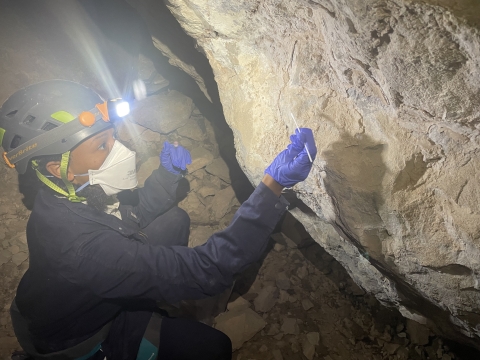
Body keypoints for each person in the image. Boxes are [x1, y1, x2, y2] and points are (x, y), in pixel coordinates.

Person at [0, 80, 317, 360]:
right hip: (74, 337)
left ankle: (155, 295)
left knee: (172, 221)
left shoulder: (66, 195)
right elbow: (208, 269)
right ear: (60, 168)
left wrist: (168, 175)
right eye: (101, 146)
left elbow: (129, 215)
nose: (118, 150)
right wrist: (271, 188)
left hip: (61, 302)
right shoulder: (86, 251)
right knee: (213, 348)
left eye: (112, 137)